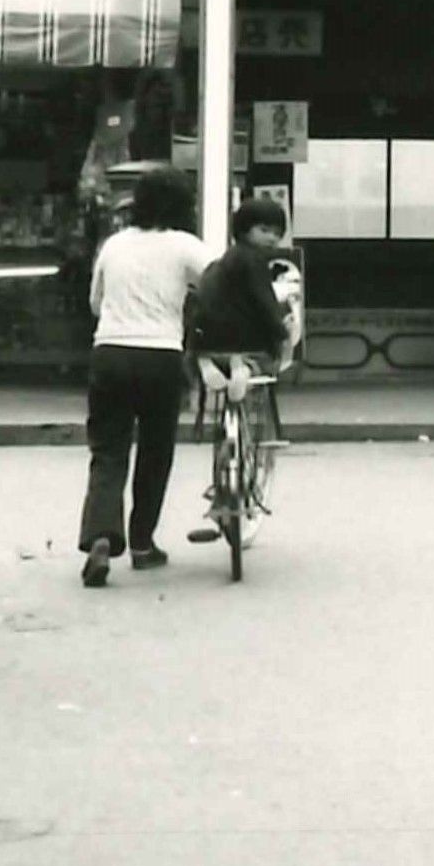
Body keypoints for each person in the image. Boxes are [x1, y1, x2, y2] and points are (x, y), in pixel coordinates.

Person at [79, 166, 210, 587]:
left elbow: (96, 304)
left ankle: (100, 536)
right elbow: (220, 286)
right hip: (160, 357)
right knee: (155, 451)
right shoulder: (185, 246)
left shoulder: (114, 245)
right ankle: (141, 544)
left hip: (110, 353)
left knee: (108, 451)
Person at [183, 199, 297, 545]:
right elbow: (264, 304)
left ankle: (214, 368)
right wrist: (282, 333)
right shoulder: (253, 262)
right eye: (264, 231)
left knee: (225, 406)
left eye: (276, 233)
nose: (271, 239)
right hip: (245, 343)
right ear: (245, 230)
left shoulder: (218, 265)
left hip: (206, 343)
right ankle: (242, 373)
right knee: (257, 389)